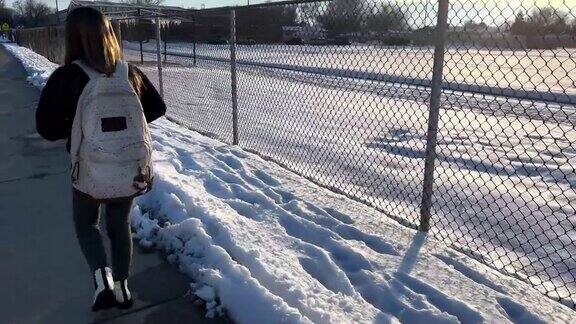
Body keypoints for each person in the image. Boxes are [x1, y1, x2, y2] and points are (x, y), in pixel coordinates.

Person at [35, 7, 166, 312]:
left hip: (89, 170)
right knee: (119, 225)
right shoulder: (129, 72)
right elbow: (157, 108)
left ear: (73, 40)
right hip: (128, 169)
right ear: (109, 35)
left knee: (86, 224)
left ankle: (101, 279)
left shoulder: (67, 77)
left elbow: (45, 128)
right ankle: (122, 287)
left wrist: (78, 125)